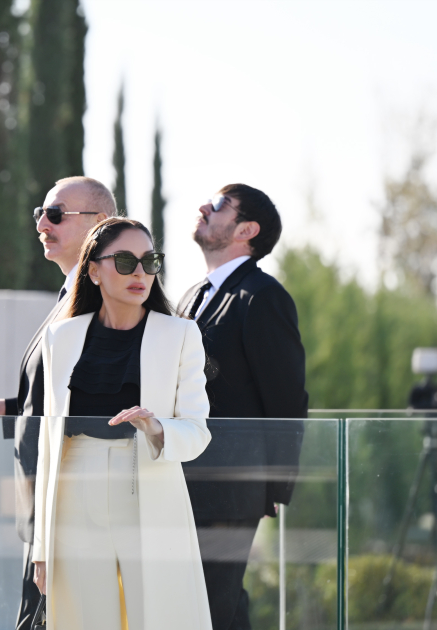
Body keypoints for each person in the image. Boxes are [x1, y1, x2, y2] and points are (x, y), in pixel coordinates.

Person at [33, 217, 213, 629]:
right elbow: (48, 441)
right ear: (93, 270)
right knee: (85, 616)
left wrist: (157, 428)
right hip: (73, 488)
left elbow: (197, 430)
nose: (140, 272)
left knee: (158, 615)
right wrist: (41, 546)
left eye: (149, 261)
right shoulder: (60, 337)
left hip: (149, 483)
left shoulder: (181, 334)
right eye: (125, 260)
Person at [0, 176, 113, 630]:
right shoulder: (72, 295)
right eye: (40, 214)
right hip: (42, 499)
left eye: (57, 214)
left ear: (100, 224)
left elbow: (97, 399)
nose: (42, 223)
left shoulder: (102, 300)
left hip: (69, 501)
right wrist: (7, 408)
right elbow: (60, 393)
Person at [177, 184, 308, 630]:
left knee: (212, 603)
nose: (203, 208)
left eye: (217, 205)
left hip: (230, 488)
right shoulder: (192, 295)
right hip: (182, 481)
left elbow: (287, 399)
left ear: (246, 229)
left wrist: (274, 487)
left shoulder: (262, 296)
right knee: (207, 604)